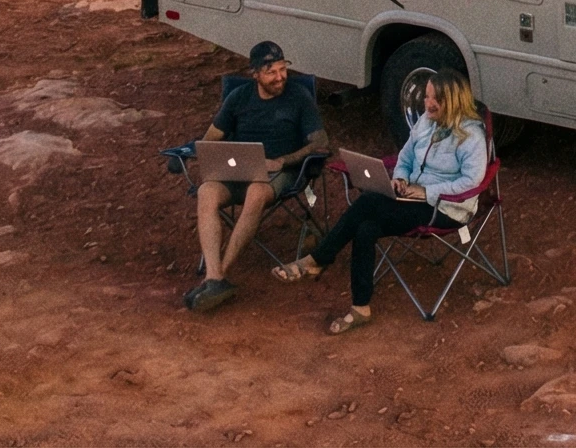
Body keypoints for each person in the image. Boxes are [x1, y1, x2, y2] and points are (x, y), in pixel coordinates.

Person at [273, 67, 489, 333]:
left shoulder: (471, 136)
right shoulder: (426, 122)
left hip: (446, 208)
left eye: (436, 100)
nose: (428, 104)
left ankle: (318, 259)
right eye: (427, 97)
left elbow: (471, 182)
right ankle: (360, 307)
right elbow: (406, 156)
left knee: (369, 203)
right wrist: (400, 178)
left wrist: (426, 192)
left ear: (454, 101)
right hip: (412, 198)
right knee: (366, 229)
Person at [184, 40, 328, 313]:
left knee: (257, 191)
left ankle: (219, 276)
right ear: (255, 74)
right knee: (207, 192)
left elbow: (321, 142)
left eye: (282, 69)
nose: (280, 77)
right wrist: (216, 158)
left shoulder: (298, 97)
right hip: (238, 172)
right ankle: (213, 276)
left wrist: (282, 160)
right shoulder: (238, 98)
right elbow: (211, 138)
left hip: (280, 174)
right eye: (271, 72)